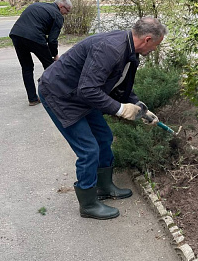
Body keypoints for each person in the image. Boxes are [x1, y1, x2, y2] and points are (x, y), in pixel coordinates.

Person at [38, 17, 165, 220]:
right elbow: (88, 89)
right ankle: (88, 204)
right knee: (89, 149)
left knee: (104, 137)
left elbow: (119, 84)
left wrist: (140, 107)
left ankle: (103, 186)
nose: (154, 50)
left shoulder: (129, 49)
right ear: (148, 39)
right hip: (60, 94)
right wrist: (121, 110)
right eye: (156, 45)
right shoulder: (111, 49)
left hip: (80, 94)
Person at [9, 0, 72, 106]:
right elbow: (52, 40)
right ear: (61, 7)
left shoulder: (37, 5)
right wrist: (55, 55)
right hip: (35, 37)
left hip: (16, 34)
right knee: (51, 67)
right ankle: (58, 95)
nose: (66, 14)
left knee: (27, 67)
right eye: (67, 11)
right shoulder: (57, 15)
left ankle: (32, 99)